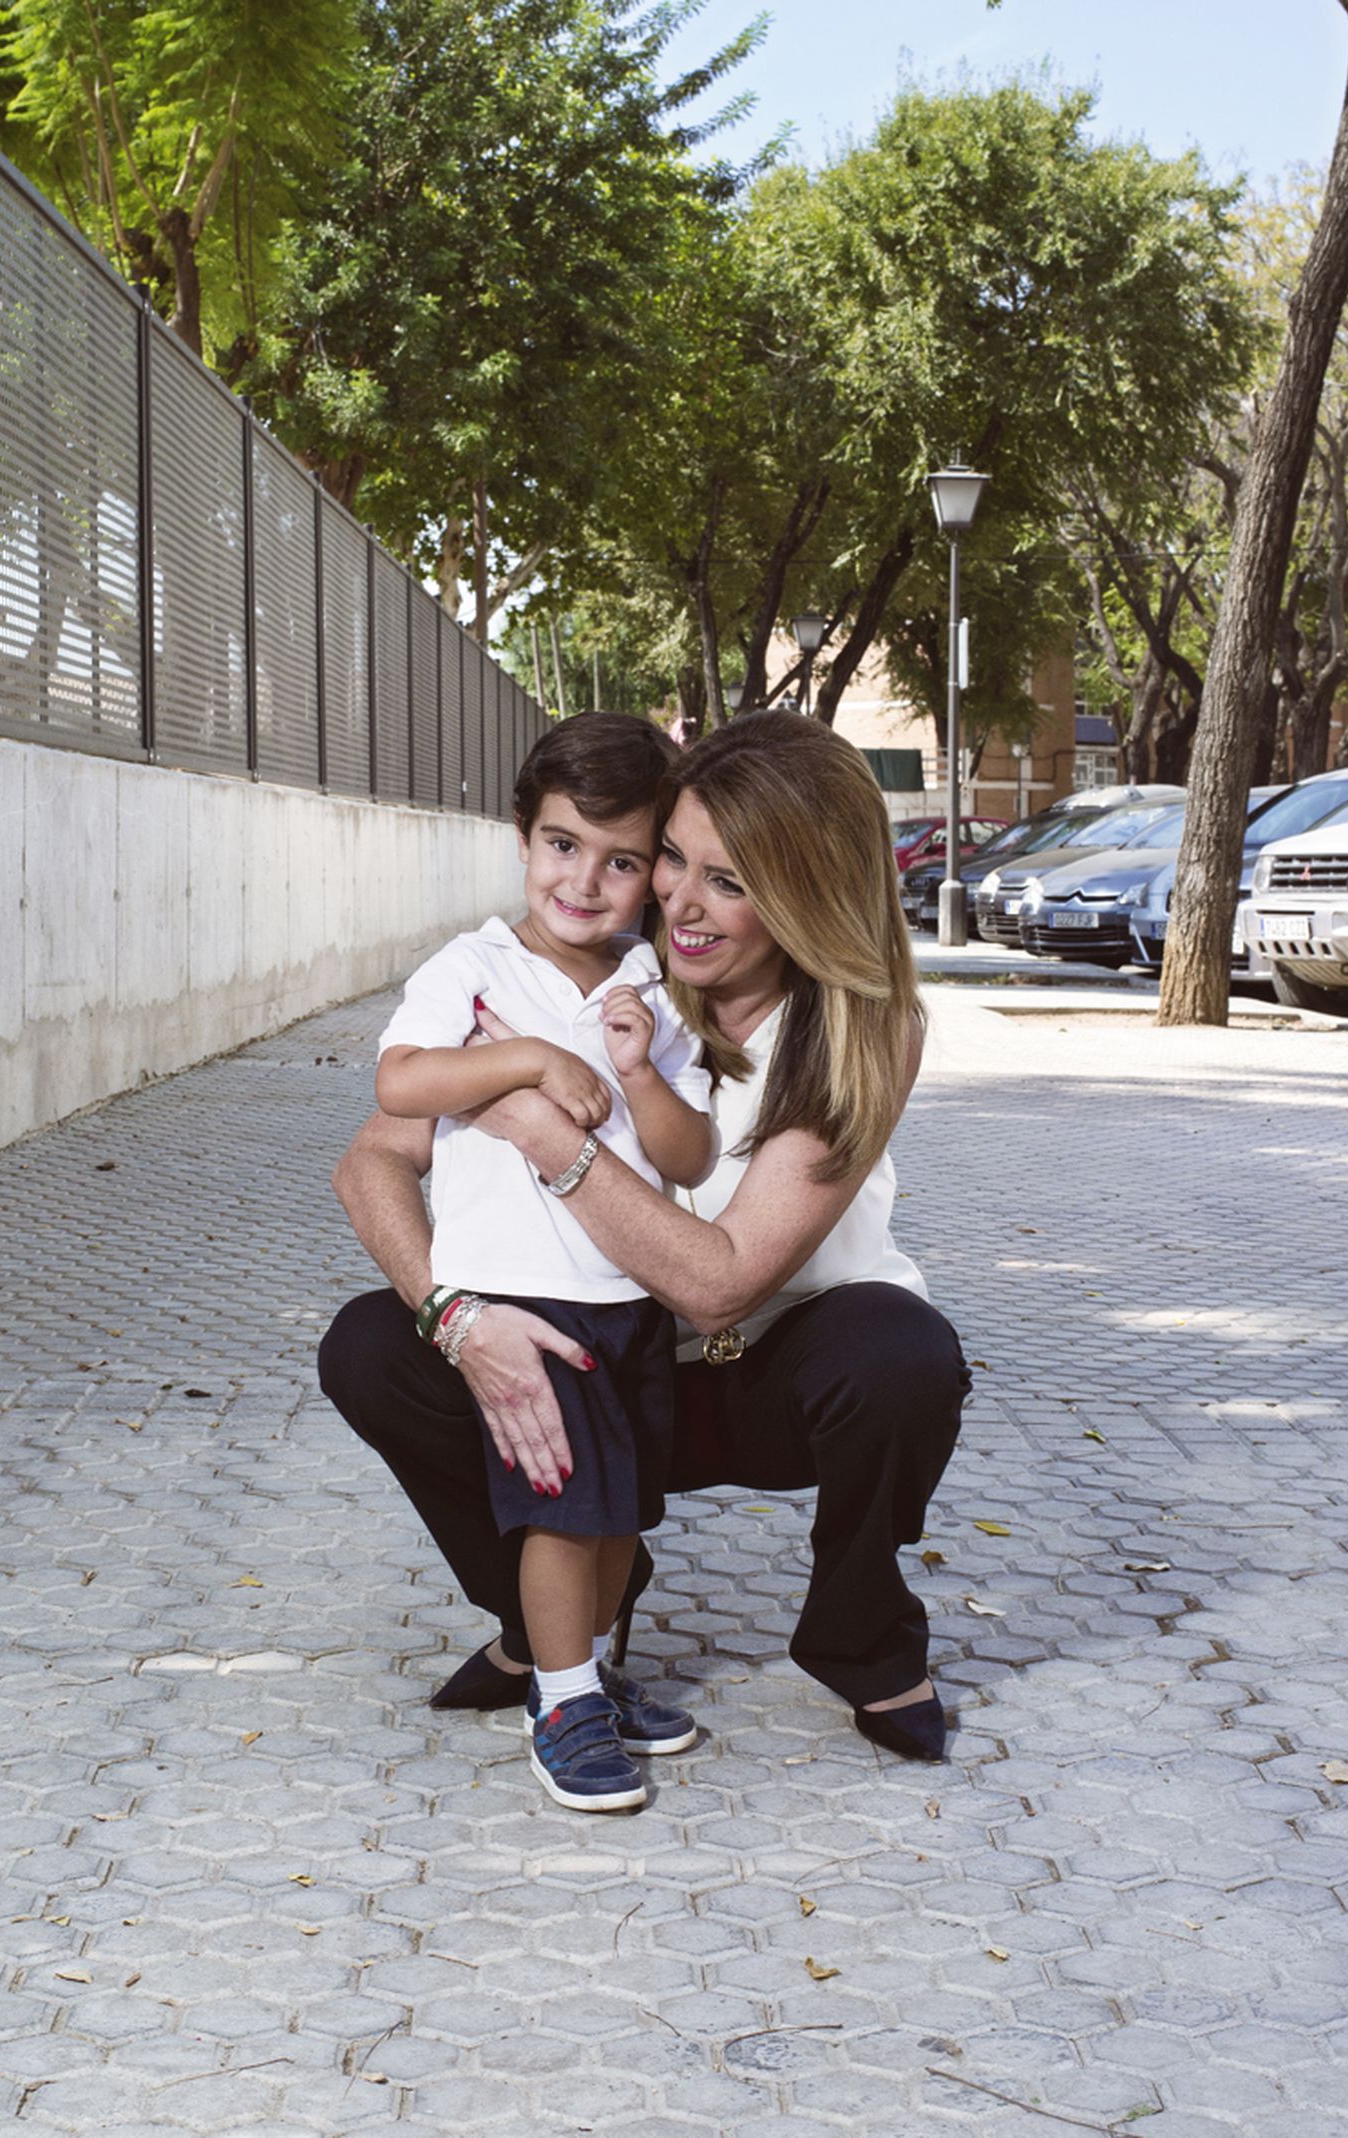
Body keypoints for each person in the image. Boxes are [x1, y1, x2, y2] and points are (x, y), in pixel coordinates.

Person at [321, 711, 970, 1765]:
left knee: (903, 1353)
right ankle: (544, 1629)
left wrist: (542, 1131)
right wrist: (457, 1314)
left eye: (732, 879)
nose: (678, 898)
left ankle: (859, 1631)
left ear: (805, 889)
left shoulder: (860, 1026)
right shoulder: (601, 976)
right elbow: (372, 1158)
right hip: (609, 1365)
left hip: (772, 1377)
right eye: (672, 857)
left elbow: (719, 1285)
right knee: (369, 1342)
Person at [370, 711, 715, 1813]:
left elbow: (689, 1152)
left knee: (617, 1517)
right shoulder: (470, 968)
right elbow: (400, 1083)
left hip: (627, 1298)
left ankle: (589, 1675)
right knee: (562, 1510)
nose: (586, 880)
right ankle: (561, 1706)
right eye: (564, 843)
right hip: (521, 1300)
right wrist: (521, 1057)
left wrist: (640, 1073)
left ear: (651, 872)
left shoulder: (655, 991)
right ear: (523, 835)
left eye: (621, 860)